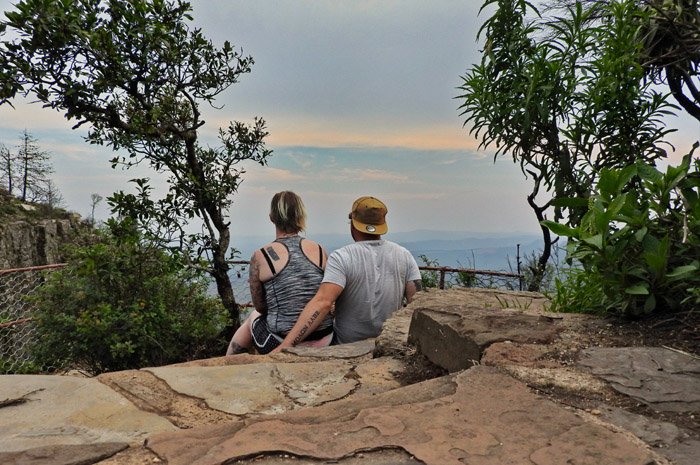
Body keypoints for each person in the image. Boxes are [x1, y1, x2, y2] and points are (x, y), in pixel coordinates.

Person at [273, 196, 422, 350]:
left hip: (346, 346)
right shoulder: (404, 255)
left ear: (353, 224)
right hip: (386, 345)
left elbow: (323, 303)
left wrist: (286, 345)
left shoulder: (342, 257)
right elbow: (417, 301)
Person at [226, 191, 333, 355]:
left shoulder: (261, 256)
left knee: (253, 317)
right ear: (300, 216)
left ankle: (229, 362)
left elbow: (260, 307)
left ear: (271, 218)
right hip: (326, 339)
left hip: (280, 342)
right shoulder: (320, 251)